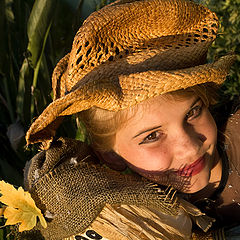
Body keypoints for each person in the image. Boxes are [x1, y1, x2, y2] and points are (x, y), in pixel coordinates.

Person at [15, 0, 240, 239]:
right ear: (111, 156)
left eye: (193, 113)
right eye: (152, 136)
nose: (190, 147)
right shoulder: (126, 212)